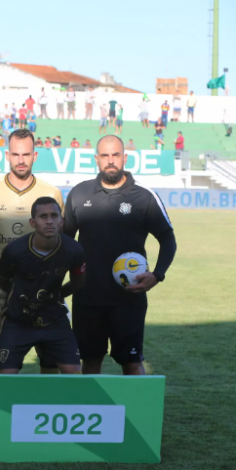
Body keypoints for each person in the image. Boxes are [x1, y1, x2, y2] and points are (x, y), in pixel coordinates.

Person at [65, 135, 176, 375]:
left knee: (132, 363)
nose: (111, 161)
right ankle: (91, 412)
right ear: (97, 159)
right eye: (105, 156)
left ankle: (137, 414)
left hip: (129, 298)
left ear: (125, 158)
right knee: (91, 363)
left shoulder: (144, 197)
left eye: (116, 155)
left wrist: (157, 275)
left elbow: (168, 238)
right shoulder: (79, 194)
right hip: (87, 298)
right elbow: (64, 243)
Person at [0, 128, 66, 374]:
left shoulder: (51, 192)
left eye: (26, 154)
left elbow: (62, 238)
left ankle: (46, 405)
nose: (21, 160)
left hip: (42, 287)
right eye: (15, 154)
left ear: (35, 155)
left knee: (48, 351)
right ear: (7, 155)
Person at [0, 197, 85, 374]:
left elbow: (77, 283)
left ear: (61, 220)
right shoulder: (14, 251)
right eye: (43, 216)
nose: (49, 221)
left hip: (54, 320)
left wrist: (58, 295)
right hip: (18, 321)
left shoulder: (74, 250)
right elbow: (1, 281)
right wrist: (20, 296)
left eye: (54, 216)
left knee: (75, 374)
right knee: (6, 377)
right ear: (32, 222)